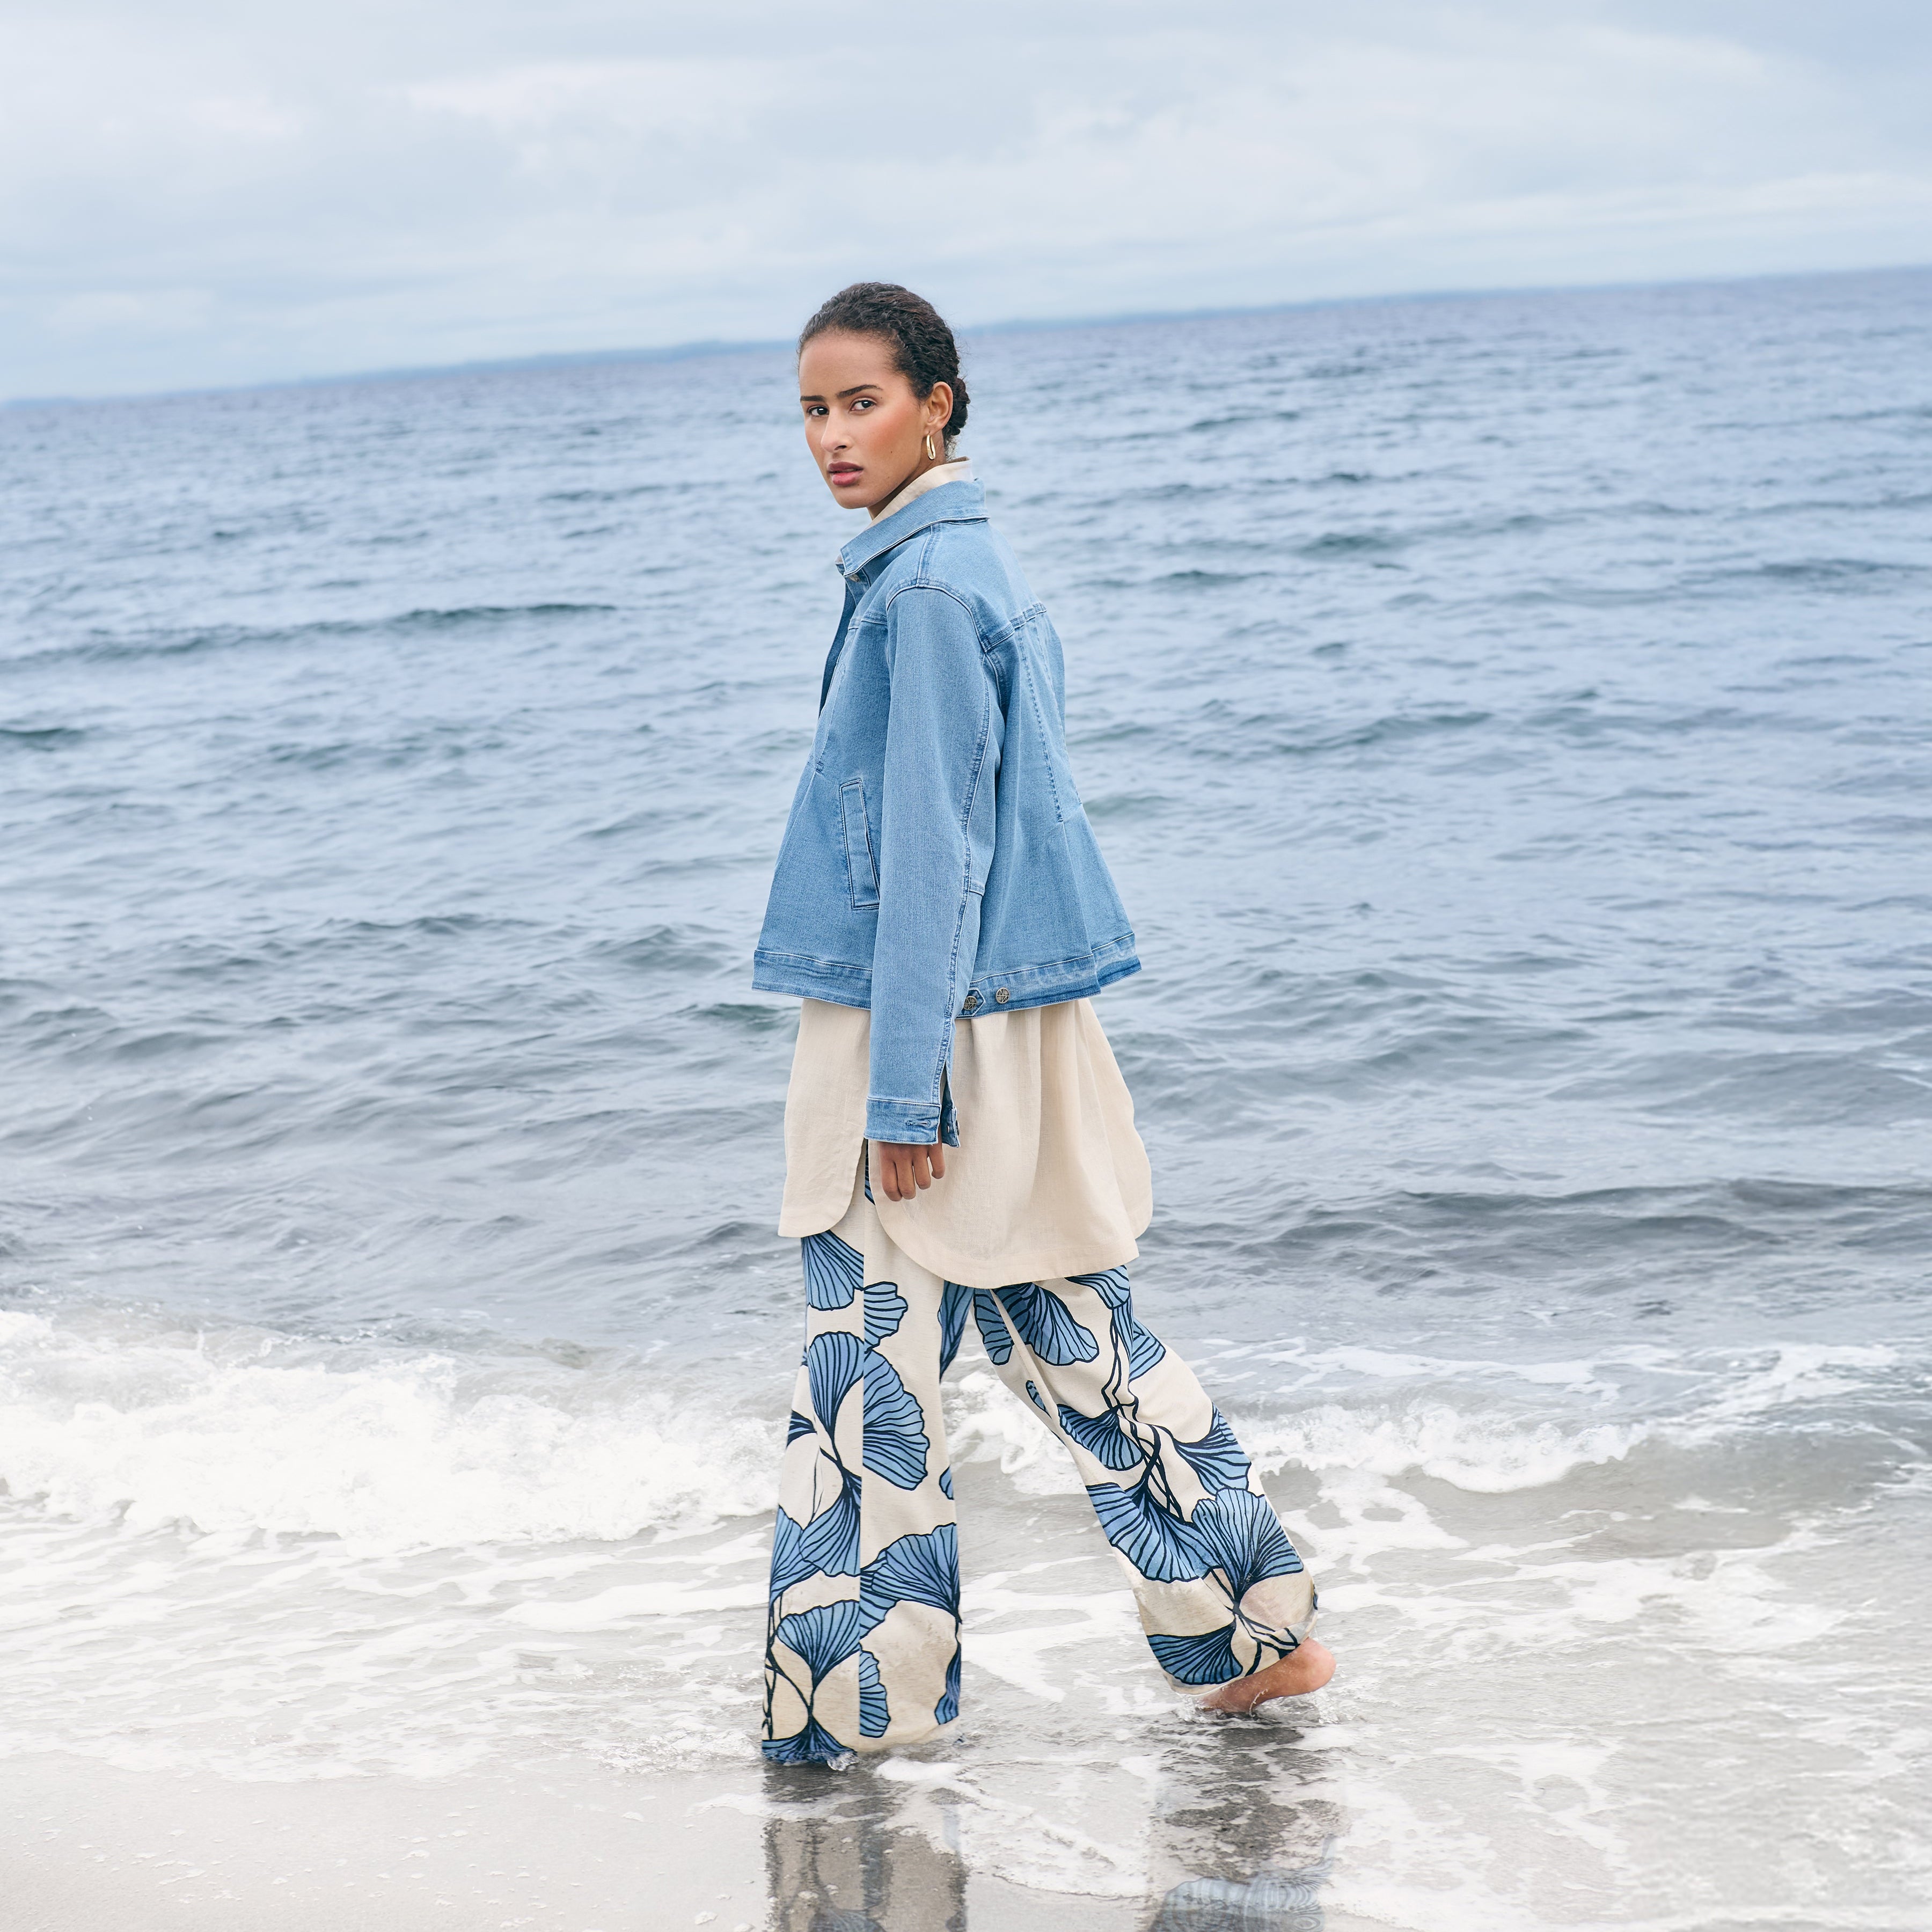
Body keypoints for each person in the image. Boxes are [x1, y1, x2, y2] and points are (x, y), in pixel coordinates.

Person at [753, 283, 1334, 1765]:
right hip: (978, 1022)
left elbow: (936, 853)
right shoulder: (945, 568)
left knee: (869, 1378)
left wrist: (898, 1097)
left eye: (862, 402)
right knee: (1069, 1336)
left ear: (937, 401)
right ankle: (1253, 1635)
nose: (833, 435)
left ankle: (854, 1723)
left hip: (929, 1034)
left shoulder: (932, 592)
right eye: (814, 409)